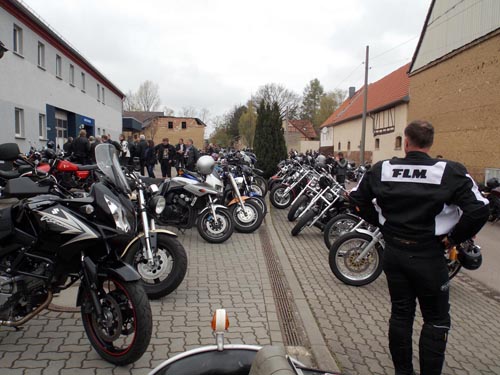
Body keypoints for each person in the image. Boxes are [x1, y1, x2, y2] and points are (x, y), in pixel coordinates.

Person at [349, 120, 489, 375]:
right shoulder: (450, 171)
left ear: (405, 140)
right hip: (429, 257)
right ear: (431, 142)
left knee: (401, 314)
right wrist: (453, 238)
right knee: (436, 320)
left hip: (395, 253)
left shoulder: (383, 169)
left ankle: (403, 372)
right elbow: (479, 209)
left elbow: (356, 199)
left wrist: (384, 225)